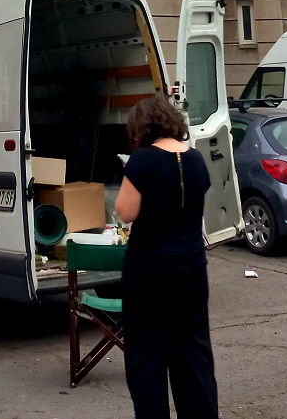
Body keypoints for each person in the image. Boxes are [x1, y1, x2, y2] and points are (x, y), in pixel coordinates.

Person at [113, 95, 218, 419]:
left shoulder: (142, 161)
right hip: (191, 272)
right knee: (194, 357)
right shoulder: (196, 159)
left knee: (147, 360)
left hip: (149, 273)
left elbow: (125, 212)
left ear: (141, 127)